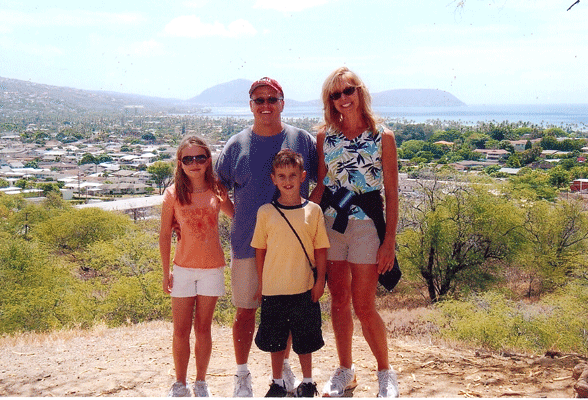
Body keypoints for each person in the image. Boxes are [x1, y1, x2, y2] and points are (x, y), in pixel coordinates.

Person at [215, 77, 318, 397]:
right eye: (258, 100)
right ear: (250, 105)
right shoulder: (236, 145)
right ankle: (242, 374)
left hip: (291, 249)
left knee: (286, 310)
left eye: (271, 99)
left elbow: (319, 180)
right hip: (247, 244)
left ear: (282, 103)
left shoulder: (301, 140)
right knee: (246, 310)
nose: (265, 105)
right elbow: (219, 186)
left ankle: (283, 366)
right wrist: (239, 217)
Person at [309, 67, 400, 398]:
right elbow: (322, 184)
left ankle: (385, 373)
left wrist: (388, 242)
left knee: (364, 305)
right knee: (338, 302)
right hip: (332, 226)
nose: (343, 98)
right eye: (335, 94)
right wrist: (302, 224)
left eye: (348, 91)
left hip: (365, 227)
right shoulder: (325, 137)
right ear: (329, 101)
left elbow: (391, 192)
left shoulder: (382, 137)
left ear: (360, 92)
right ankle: (345, 370)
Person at [159, 135, 234, 397]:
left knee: (203, 328)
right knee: (180, 330)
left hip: (212, 268)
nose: (194, 163)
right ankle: (180, 383)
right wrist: (165, 271)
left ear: (208, 160)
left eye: (199, 158)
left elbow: (236, 215)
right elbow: (164, 235)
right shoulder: (172, 194)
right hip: (182, 268)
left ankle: (201, 382)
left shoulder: (216, 189)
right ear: (180, 163)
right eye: (188, 159)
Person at [251, 149, 329, 398]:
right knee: (276, 340)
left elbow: (321, 250)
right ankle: (278, 383)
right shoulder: (265, 212)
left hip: (304, 287)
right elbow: (260, 251)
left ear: (303, 177)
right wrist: (262, 284)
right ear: (273, 178)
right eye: (282, 175)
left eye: (293, 175)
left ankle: (307, 382)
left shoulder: (314, 211)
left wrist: (320, 282)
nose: (287, 181)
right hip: (274, 288)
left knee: (305, 339)